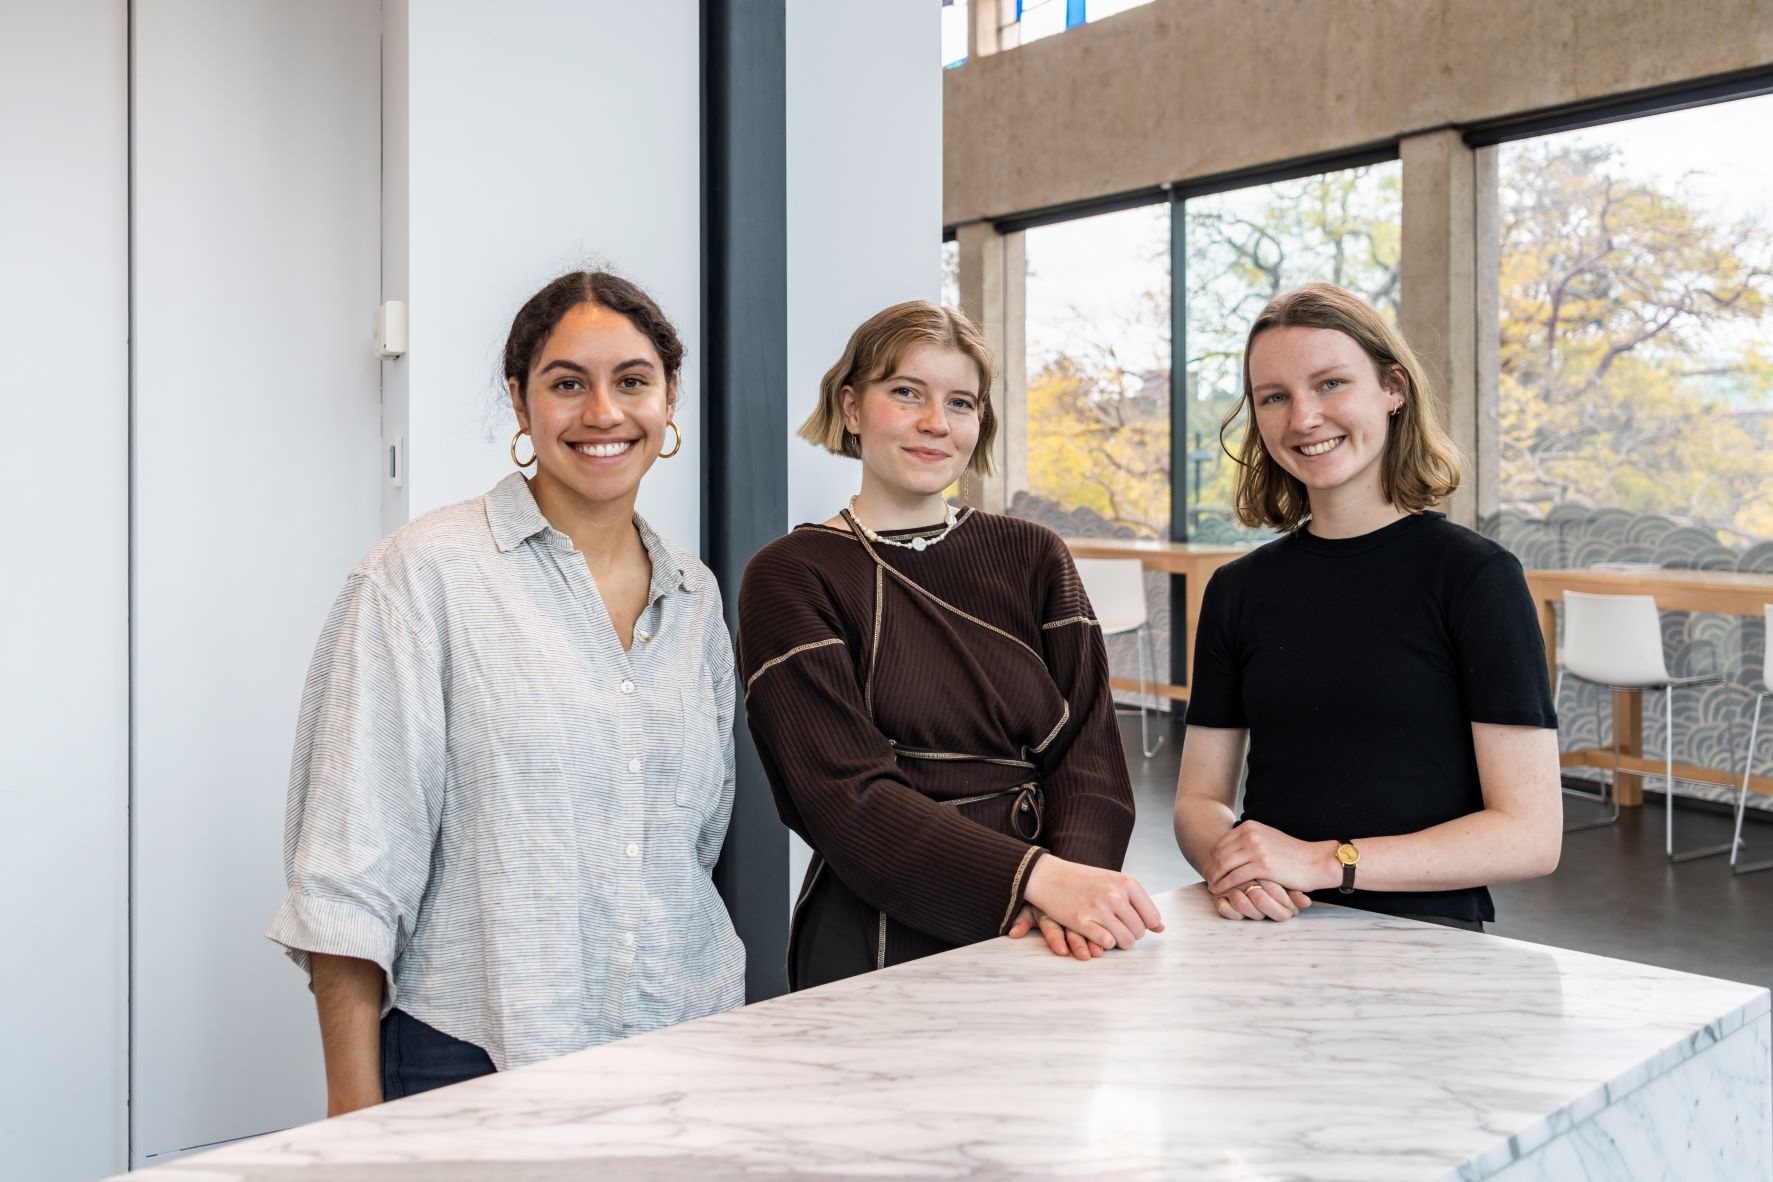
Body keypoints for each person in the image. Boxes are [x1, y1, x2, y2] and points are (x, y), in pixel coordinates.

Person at [268, 271, 744, 1114]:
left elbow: (691, 843)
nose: (603, 412)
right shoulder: (421, 575)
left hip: (685, 1048)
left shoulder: (695, 595)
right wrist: (354, 1119)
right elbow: (347, 877)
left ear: (669, 401)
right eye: (568, 384)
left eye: (632, 381)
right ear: (521, 406)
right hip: (475, 1057)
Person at [738, 299, 1162, 990]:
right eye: (906, 393)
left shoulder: (1033, 554)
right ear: (850, 408)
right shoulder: (790, 575)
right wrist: (1034, 881)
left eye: (959, 402)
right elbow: (845, 797)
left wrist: (1071, 893)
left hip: (1055, 935)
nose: (936, 422)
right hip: (877, 936)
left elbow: (1090, 756)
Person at [1173, 282, 1562, 931]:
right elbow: (1198, 798)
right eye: (1274, 397)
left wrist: (1326, 862)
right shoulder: (1237, 589)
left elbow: (1529, 835)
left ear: (1392, 389)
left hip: (1427, 946)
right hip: (1264, 932)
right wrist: (1233, 862)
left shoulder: (1475, 577)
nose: (1302, 418)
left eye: (1329, 384)